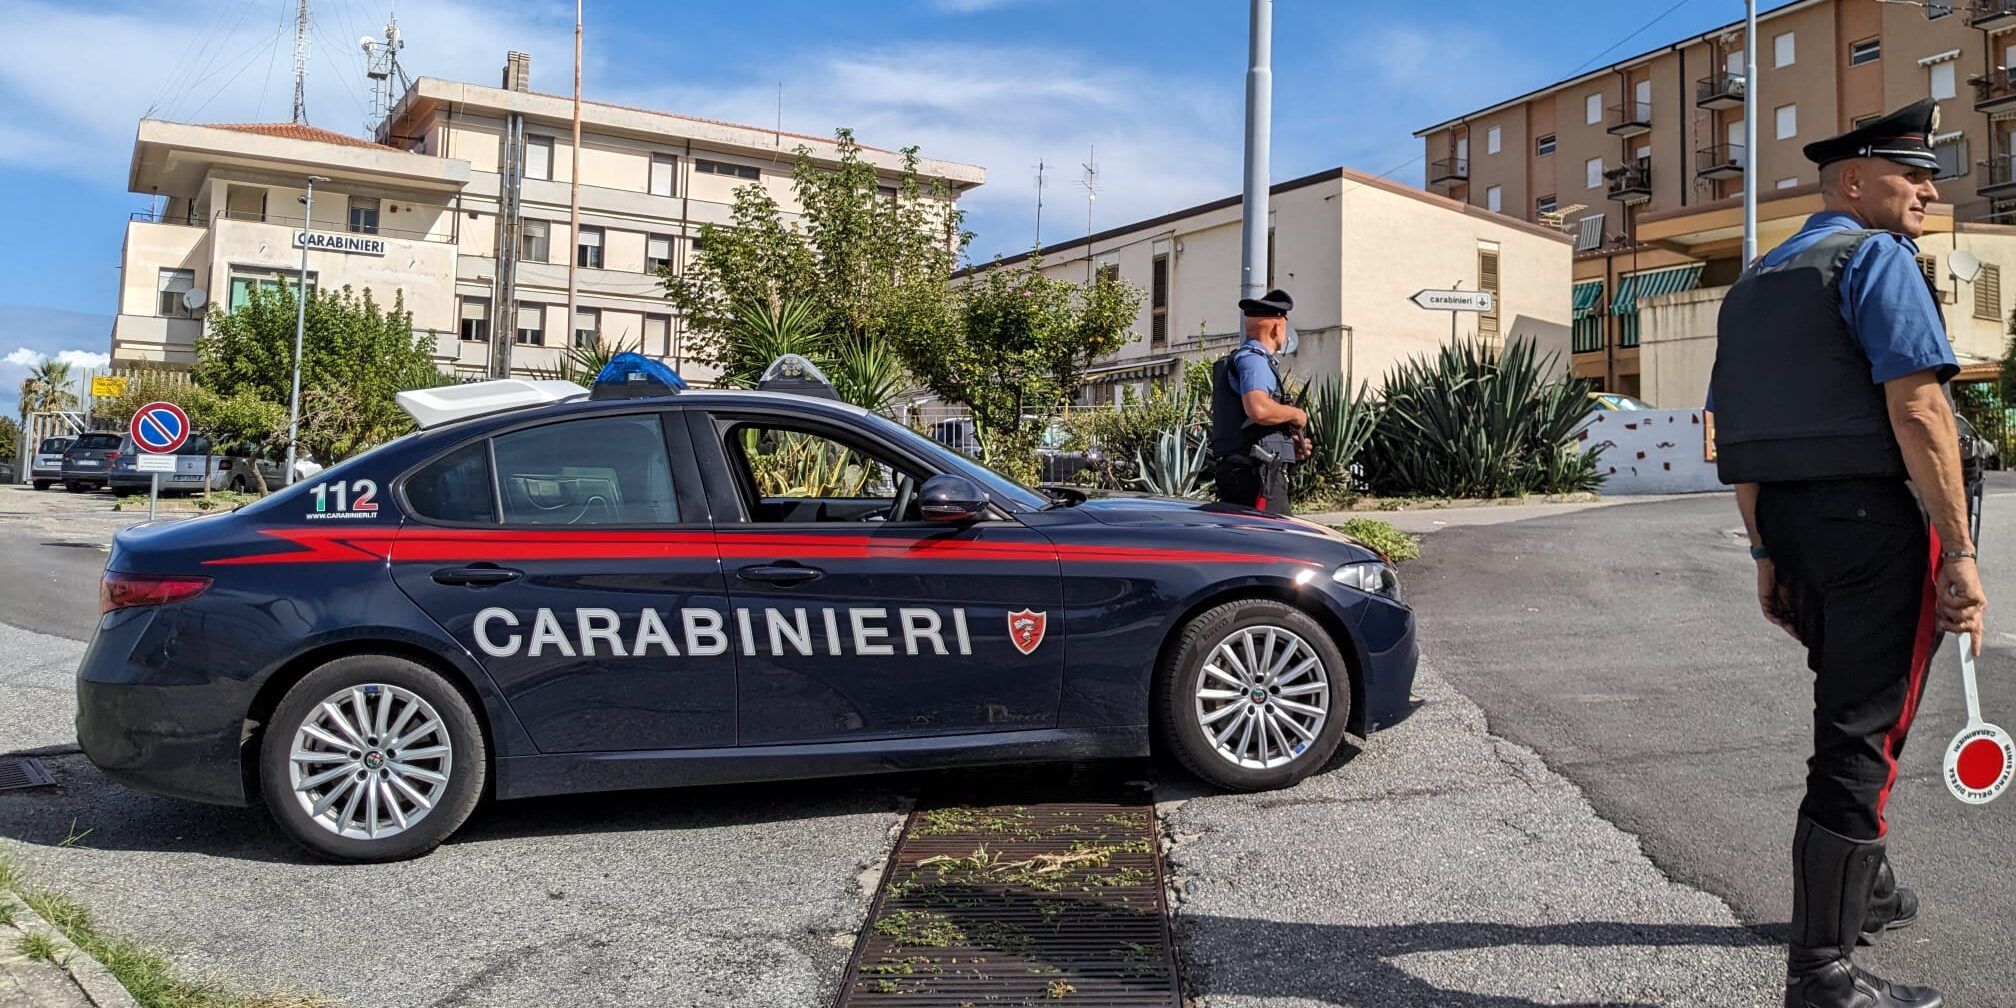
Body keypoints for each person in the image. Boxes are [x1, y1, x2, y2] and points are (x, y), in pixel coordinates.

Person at [1710, 99, 1985, 1008]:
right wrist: (1960, 553)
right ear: (1856, 181)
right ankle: (1822, 975)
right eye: (1913, 174)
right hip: (1873, 528)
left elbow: (1736, 435)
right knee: (1863, 734)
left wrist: (1762, 552)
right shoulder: (1873, 258)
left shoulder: (1755, 283)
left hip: (1792, 527)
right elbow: (1919, 409)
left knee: (1850, 712)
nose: (1928, 188)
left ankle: (1868, 889)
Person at [1210, 288, 1312, 513]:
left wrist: (1285, 446)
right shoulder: (1254, 361)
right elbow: (1258, 409)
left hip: (1246, 472)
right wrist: (1296, 414)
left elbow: (1250, 426)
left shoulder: (1244, 360)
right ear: (1278, 327)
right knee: (1273, 542)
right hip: (1256, 476)